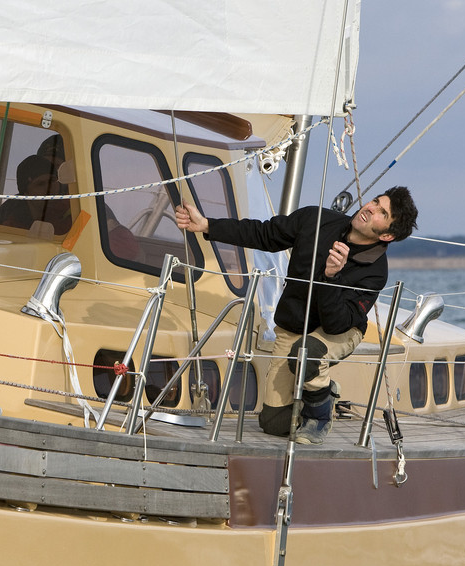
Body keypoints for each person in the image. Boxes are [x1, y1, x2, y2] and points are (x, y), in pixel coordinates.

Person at [175, 186, 418, 439]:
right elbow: (264, 234)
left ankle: (320, 416)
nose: (370, 207)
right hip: (294, 325)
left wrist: (331, 277)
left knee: (308, 352)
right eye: (375, 201)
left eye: (381, 212)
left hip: (339, 331)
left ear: (387, 235)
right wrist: (207, 225)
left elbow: (337, 324)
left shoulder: (375, 271)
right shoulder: (315, 220)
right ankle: (324, 391)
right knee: (274, 423)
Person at [0, 154, 74, 234]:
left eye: (52, 181)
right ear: (26, 193)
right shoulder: (9, 223)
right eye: (40, 184)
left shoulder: (73, 211)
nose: (49, 188)